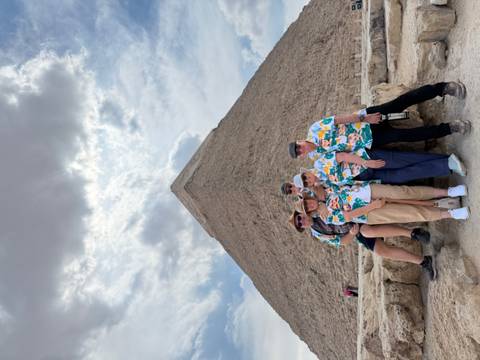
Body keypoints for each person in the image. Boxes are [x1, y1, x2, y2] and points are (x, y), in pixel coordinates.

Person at [289, 208, 437, 280]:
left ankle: (413, 233)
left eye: (300, 218)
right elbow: (342, 242)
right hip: (354, 230)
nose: (303, 221)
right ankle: (424, 261)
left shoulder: (315, 209)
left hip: (356, 214)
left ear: (302, 213)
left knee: (368, 231)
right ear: (303, 228)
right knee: (381, 251)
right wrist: (351, 234)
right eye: (300, 224)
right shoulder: (319, 234)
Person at [300, 182, 469, 225]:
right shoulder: (325, 217)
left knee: (404, 192)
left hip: (367, 191)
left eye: (307, 203)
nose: (310, 206)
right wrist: (372, 207)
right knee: (409, 214)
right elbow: (348, 216)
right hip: (368, 212)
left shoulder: (323, 189)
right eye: (307, 209)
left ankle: (448, 192)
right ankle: (451, 214)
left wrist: (313, 190)